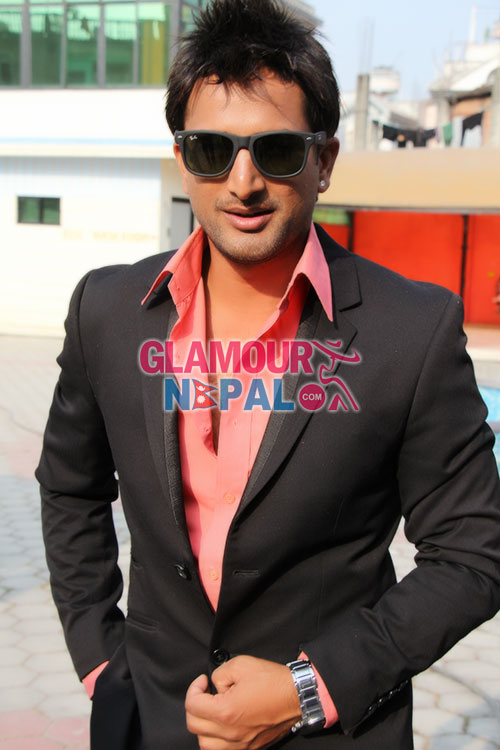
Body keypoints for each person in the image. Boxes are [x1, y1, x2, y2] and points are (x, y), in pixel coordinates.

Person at [36, 0, 500, 748]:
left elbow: (474, 553)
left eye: (277, 150)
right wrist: (100, 658)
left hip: (330, 732)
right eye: (211, 150)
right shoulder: (106, 311)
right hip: (148, 718)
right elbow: (70, 487)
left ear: (325, 160)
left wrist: (309, 688)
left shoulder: (412, 332)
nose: (243, 181)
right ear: (182, 158)